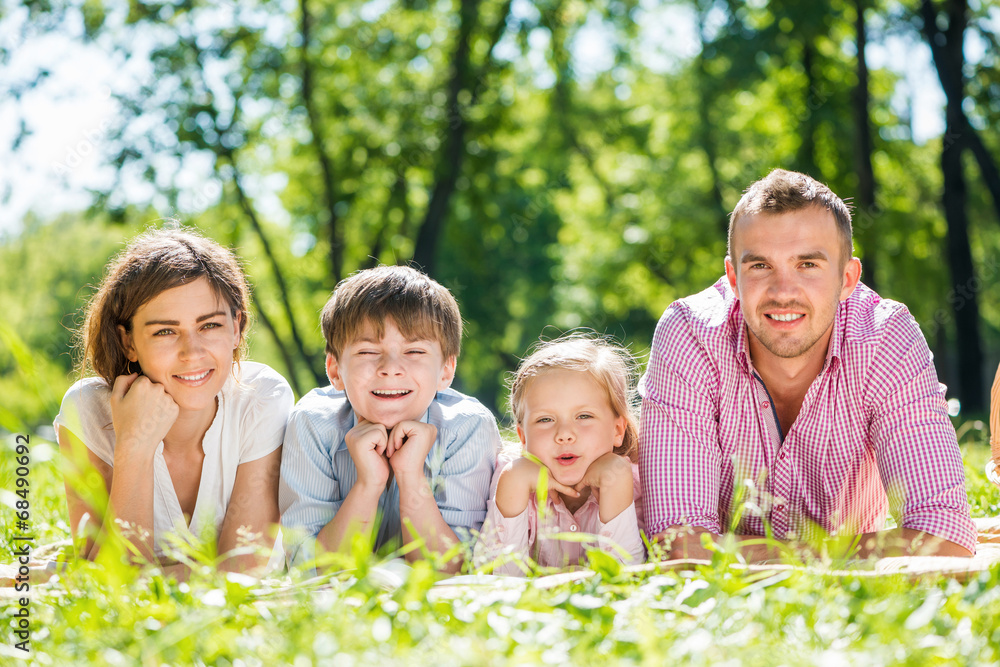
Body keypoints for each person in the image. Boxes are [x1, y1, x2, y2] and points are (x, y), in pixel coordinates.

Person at [639, 168, 977, 561]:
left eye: (808, 265)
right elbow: (678, 544)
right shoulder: (691, 334)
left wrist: (768, 557)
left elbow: (945, 537)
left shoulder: (885, 338)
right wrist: (833, 556)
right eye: (760, 266)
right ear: (733, 277)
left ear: (847, 278)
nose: (783, 292)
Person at [55, 227, 293, 574]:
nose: (192, 353)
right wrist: (134, 447)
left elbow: (241, 575)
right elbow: (110, 588)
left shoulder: (262, 398)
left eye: (209, 325)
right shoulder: (87, 411)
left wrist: (74, 573)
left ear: (237, 326)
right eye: (165, 331)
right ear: (128, 343)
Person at [279, 265, 501, 573]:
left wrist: (410, 477)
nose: (390, 368)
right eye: (369, 352)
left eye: (414, 351)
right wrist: (369, 483)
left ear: (446, 371)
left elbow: (451, 570)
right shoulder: (313, 423)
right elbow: (313, 571)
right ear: (334, 370)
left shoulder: (467, 427)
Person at [474, 335, 644, 575]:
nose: (564, 434)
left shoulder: (638, 483)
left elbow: (629, 581)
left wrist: (616, 483)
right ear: (523, 438)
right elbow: (495, 582)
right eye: (545, 419)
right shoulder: (512, 479)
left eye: (584, 416)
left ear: (617, 430)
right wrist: (514, 480)